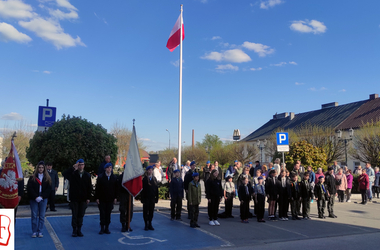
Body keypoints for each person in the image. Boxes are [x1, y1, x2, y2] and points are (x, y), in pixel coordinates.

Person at [63, 159, 92, 237]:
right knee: (75, 215)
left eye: (82, 164)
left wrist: (88, 197)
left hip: (83, 198)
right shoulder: (73, 174)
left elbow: (89, 187)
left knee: (81, 215)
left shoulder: (87, 175)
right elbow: (65, 174)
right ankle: (74, 230)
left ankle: (79, 229)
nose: (81, 166)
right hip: (74, 198)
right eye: (79, 165)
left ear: (84, 165)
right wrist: (73, 168)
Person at [27, 161, 52, 238]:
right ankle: (34, 231)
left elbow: (49, 189)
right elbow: (29, 188)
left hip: (43, 198)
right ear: (37, 168)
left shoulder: (47, 178)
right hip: (34, 198)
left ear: (44, 168)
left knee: (41, 216)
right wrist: (35, 197)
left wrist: (42, 197)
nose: (41, 169)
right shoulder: (32, 177)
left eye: (42, 168)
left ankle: (40, 231)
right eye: (39, 167)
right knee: (34, 215)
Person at [95, 162, 118, 234]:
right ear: (105, 169)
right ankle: (102, 228)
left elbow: (116, 188)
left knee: (108, 214)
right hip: (102, 198)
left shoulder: (114, 177)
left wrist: (115, 197)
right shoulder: (101, 177)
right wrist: (97, 198)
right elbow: (97, 188)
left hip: (110, 199)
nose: (109, 169)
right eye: (108, 168)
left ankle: (107, 228)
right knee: (102, 214)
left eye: (110, 168)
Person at [141, 166, 159, 230]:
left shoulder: (154, 179)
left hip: (152, 198)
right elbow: (142, 189)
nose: (150, 171)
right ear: (147, 171)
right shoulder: (144, 179)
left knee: (151, 211)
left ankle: (150, 223)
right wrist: (142, 198)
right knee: (145, 212)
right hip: (146, 198)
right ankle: (146, 224)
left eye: (151, 170)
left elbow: (156, 189)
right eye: (149, 170)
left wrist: (157, 197)